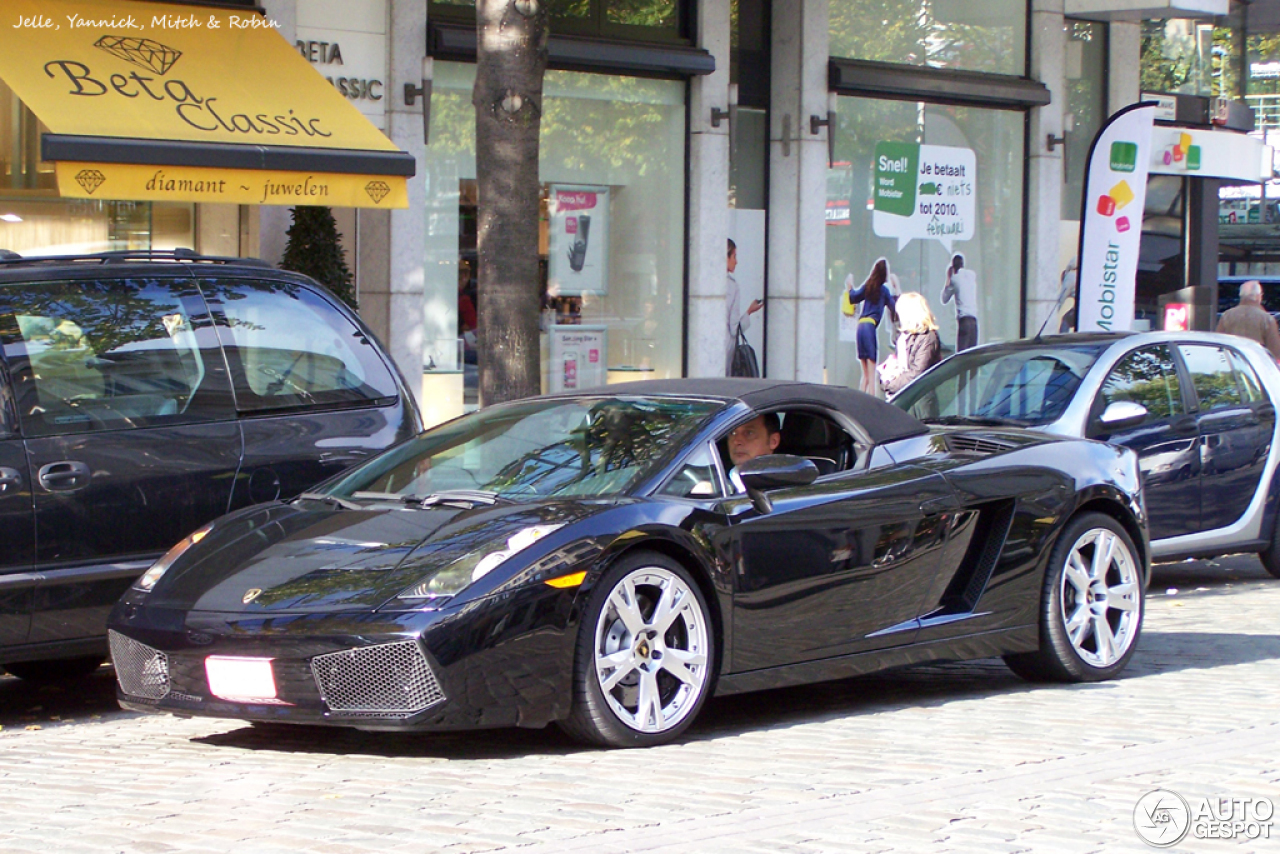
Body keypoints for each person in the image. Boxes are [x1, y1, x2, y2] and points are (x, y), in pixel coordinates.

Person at [845, 257, 898, 395]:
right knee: (872, 373)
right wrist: (896, 289)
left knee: (866, 375)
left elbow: (853, 297)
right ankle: (871, 403)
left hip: (860, 328)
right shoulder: (884, 291)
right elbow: (895, 308)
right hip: (869, 327)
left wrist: (849, 287)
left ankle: (859, 402)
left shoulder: (868, 286)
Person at [878, 292, 942, 398]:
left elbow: (917, 374)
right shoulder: (905, 336)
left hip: (919, 399)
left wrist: (889, 385)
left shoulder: (927, 337)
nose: (899, 318)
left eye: (900, 313)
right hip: (903, 394)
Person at [726, 238, 763, 375]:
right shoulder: (732, 286)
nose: (736, 261)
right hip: (727, 353)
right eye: (734, 256)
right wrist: (749, 312)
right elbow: (734, 328)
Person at [1217, 279, 1280, 359]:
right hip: (1257, 364)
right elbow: (1275, 352)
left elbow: (1219, 344)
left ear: (1241, 296)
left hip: (1232, 363)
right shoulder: (1267, 318)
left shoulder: (1226, 316)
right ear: (1258, 296)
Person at [726, 413, 781, 490]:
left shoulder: (787, 486)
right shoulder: (716, 482)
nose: (736, 441)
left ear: (773, 441)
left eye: (749, 433)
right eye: (733, 433)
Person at [941, 253, 978, 351]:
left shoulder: (954, 279)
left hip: (964, 320)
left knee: (961, 355)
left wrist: (948, 278)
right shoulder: (971, 275)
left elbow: (944, 299)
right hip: (974, 321)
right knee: (972, 356)